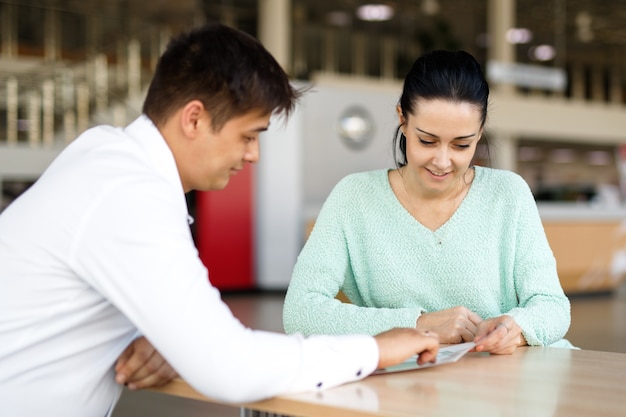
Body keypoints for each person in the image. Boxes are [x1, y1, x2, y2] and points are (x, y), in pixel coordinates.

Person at [0, 24, 440, 417]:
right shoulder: (128, 192)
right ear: (194, 118)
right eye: (248, 136)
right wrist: (375, 348)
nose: (253, 155)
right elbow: (229, 367)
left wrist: (170, 340)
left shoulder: (108, 157)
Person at [283, 49, 574, 355]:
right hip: (409, 386)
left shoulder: (508, 194)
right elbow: (301, 313)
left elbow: (552, 306)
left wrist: (517, 328)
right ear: (403, 120)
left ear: (479, 135)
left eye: (462, 145)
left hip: (508, 383)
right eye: (427, 141)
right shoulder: (353, 198)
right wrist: (418, 324)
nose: (443, 161)